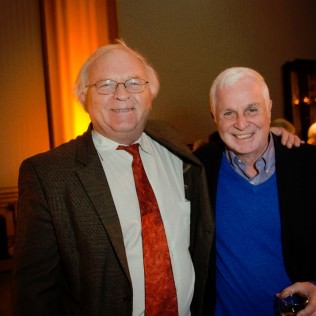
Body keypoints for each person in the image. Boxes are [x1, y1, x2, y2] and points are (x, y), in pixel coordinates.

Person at [13, 41, 214, 316]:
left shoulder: (175, 147)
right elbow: (34, 293)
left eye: (134, 83)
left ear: (150, 94)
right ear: (84, 95)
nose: (122, 95)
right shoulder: (48, 175)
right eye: (106, 84)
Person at [195, 67, 316, 315]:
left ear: (269, 108)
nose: (241, 123)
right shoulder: (198, 169)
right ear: (214, 117)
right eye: (229, 113)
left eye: (252, 109)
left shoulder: (309, 165)